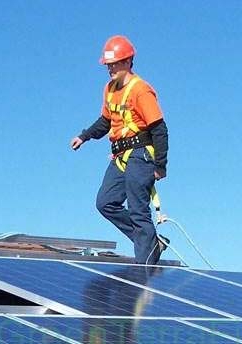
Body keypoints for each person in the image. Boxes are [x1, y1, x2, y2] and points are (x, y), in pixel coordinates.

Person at [70, 35, 170, 265]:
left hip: (140, 154)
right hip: (119, 155)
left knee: (138, 211)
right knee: (105, 202)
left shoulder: (141, 90)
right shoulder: (109, 89)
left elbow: (159, 128)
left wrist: (160, 166)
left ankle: (144, 267)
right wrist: (84, 136)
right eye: (107, 65)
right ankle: (150, 241)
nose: (109, 68)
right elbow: (105, 121)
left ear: (127, 61)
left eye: (113, 64)